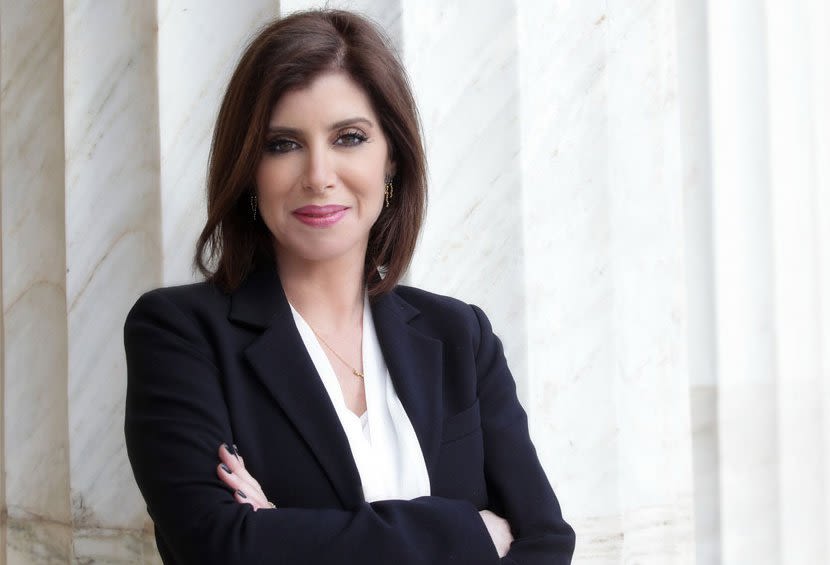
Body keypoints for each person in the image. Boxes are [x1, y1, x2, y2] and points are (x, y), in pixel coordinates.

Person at [124, 9, 574, 564]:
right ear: (249, 168)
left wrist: (283, 531)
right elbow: (221, 548)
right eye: (282, 144)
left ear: (392, 160)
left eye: (349, 138)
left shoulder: (460, 334)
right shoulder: (179, 334)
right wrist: (467, 532)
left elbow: (546, 540)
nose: (318, 175)